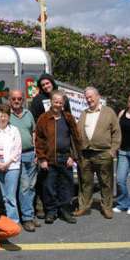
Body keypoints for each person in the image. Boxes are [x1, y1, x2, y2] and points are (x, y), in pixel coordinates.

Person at [35, 90, 82, 224]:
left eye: (61, 102)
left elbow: (76, 138)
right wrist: (42, 158)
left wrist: (73, 156)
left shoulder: (68, 118)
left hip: (65, 158)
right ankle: (51, 211)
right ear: (51, 102)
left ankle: (65, 211)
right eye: (56, 101)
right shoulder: (43, 118)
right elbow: (39, 140)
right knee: (49, 187)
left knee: (66, 187)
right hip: (49, 160)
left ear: (63, 103)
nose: (58, 104)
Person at [74, 87, 121, 219]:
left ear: (98, 96)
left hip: (103, 153)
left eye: (91, 97)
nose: (89, 100)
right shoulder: (84, 113)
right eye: (87, 97)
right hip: (86, 154)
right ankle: (83, 206)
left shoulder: (109, 112)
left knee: (106, 183)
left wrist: (112, 151)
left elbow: (116, 132)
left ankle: (106, 207)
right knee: (85, 182)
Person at [29, 73, 71, 220]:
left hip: (63, 149)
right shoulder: (38, 100)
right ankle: (47, 210)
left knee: (64, 182)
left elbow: (70, 123)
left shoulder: (63, 97)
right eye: (43, 85)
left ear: (52, 83)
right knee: (47, 182)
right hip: (46, 148)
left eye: (48, 83)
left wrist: (73, 154)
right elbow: (35, 124)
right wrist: (39, 153)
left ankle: (64, 210)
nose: (46, 86)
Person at [8, 90, 39, 231]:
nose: (16, 101)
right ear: (10, 100)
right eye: (14, 98)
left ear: (23, 100)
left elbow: (33, 132)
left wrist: (36, 151)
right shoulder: (6, 115)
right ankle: (27, 218)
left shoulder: (28, 114)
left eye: (19, 99)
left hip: (30, 154)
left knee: (31, 187)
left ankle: (29, 214)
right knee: (24, 187)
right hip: (16, 157)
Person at [0, 104, 22, 223]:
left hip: (12, 167)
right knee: (1, 196)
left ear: (9, 117)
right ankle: (3, 221)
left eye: (6, 115)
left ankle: (13, 221)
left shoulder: (14, 131)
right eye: (1, 115)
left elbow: (17, 150)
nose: (3, 118)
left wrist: (6, 164)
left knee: (10, 197)